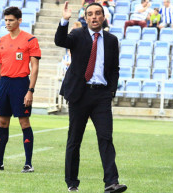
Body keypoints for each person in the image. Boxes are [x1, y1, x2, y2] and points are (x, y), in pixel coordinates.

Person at [55, 2, 127, 192]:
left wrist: (111, 91)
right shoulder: (78, 35)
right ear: (85, 18)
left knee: (105, 138)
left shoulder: (112, 40)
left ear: (103, 17)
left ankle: (111, 182)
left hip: (101, 96)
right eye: (90, 14)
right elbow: (60, 41)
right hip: (79, 94)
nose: (94, 17)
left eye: (97, 13)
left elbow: (114, 69)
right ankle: (71, 183)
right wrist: (64, 20)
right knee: (74, 139)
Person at [0, 7, 41, 173]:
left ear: (19, 20)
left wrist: (30, 90)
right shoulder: (1, 41)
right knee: (2, 122)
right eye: (6, 20)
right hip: (4, 85)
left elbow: (35, 67)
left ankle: (28, 164)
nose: (7, 23)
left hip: (21, 84)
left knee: (24, 122)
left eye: (11, 20)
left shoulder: (30, 40)